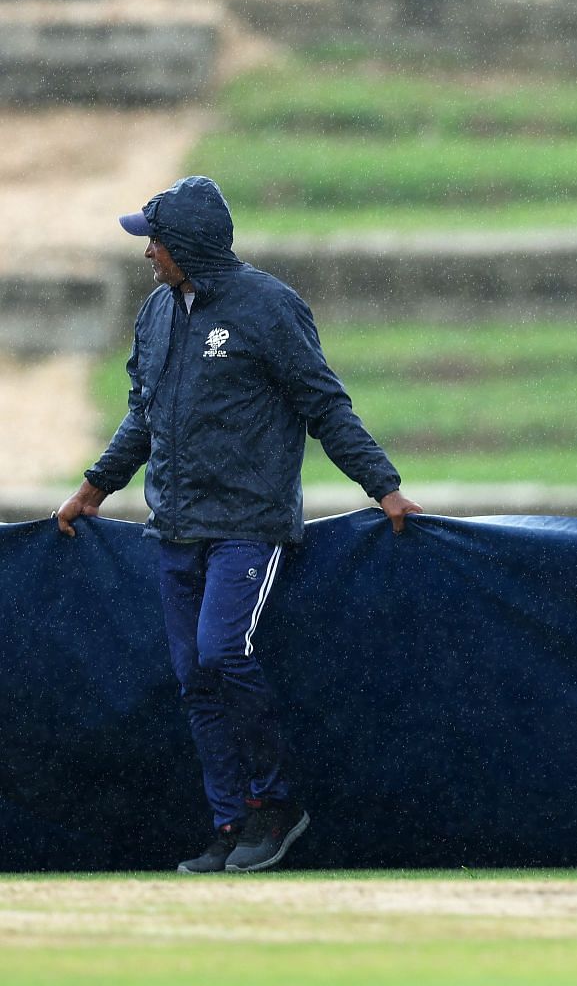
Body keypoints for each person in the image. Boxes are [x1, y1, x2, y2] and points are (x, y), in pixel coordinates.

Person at [55, 176, 421, 874]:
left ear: (185, 244)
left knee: (223, 652)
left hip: (248, 523)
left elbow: (325, 405)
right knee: (194, 677)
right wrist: (94, 488)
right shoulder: (158, 311)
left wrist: (386, 487)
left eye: (154, 240)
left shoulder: (271, 308)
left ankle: (276, 806)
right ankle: (230, 822)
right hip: (177, 526)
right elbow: (143, 415)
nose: (147, 253)